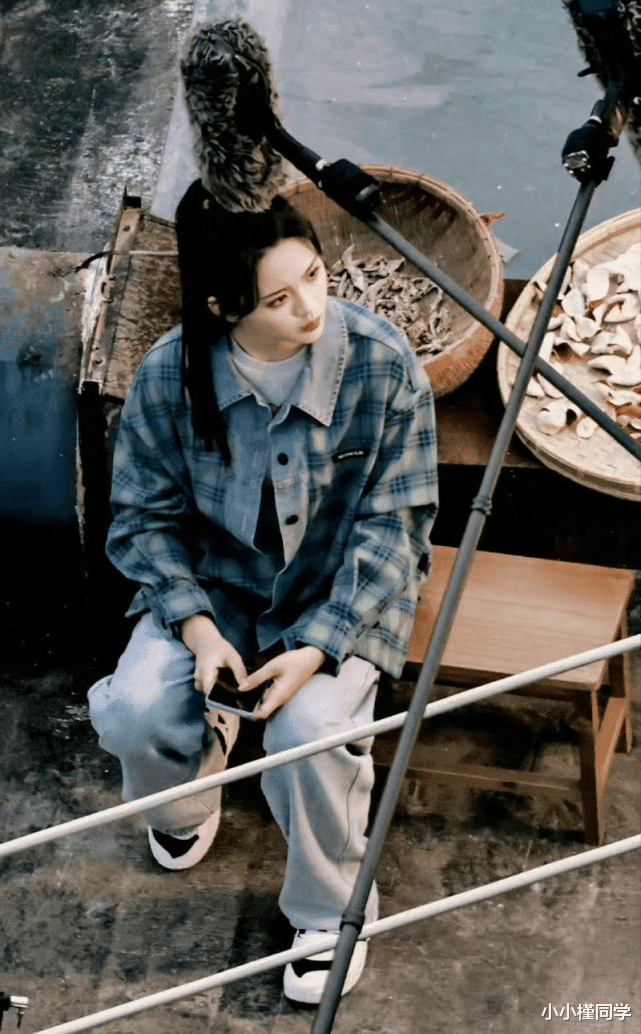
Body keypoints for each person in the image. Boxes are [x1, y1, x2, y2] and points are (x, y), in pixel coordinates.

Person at [88, 179, 439, 1004]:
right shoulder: (170, 374)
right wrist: (199, 629)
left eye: (313, 275)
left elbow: (395, 527)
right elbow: (142, 518)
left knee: (308, 732)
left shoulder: (382, 362)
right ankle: (189, 791)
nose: (311, 308)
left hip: (338, 593)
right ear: (223, 307)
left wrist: (318, 644)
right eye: (278, 300)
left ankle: (329, 912)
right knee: (136, 711)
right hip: (216, 590)